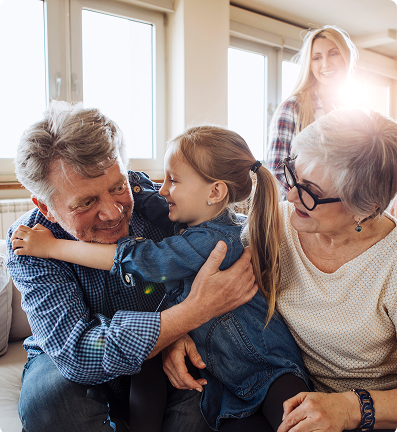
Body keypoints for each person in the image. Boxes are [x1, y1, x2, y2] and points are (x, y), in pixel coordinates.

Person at [11, 125, 313, 431]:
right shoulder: (30, 243)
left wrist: (175, 332)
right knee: (50, 401)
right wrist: (186, 317)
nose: (114, 212)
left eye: (118, 187)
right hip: (75, 357)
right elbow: (78, 353)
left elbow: (197, 229)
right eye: (87, 203)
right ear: (46, 208)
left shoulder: (161, 206)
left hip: (176, 353)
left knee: (199, 403)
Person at [162, 108, 397, 432]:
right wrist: (179, 331)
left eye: (311, 192)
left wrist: (348, 407)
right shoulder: (279, 222)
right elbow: (217, 287)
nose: (290, 195)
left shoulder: (391, 264)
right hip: (285, 389)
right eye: (293, 174)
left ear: (365, 207)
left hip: (366, 415)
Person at [267, 25, 359, 198]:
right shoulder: (292, 108)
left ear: (346, 57)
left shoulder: (356, 113)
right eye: (317, 57)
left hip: (345, 209)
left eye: (333, 53)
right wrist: (311, 202)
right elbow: (277, 173)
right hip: (302, 208)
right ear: (309, 64)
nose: (326, 64)